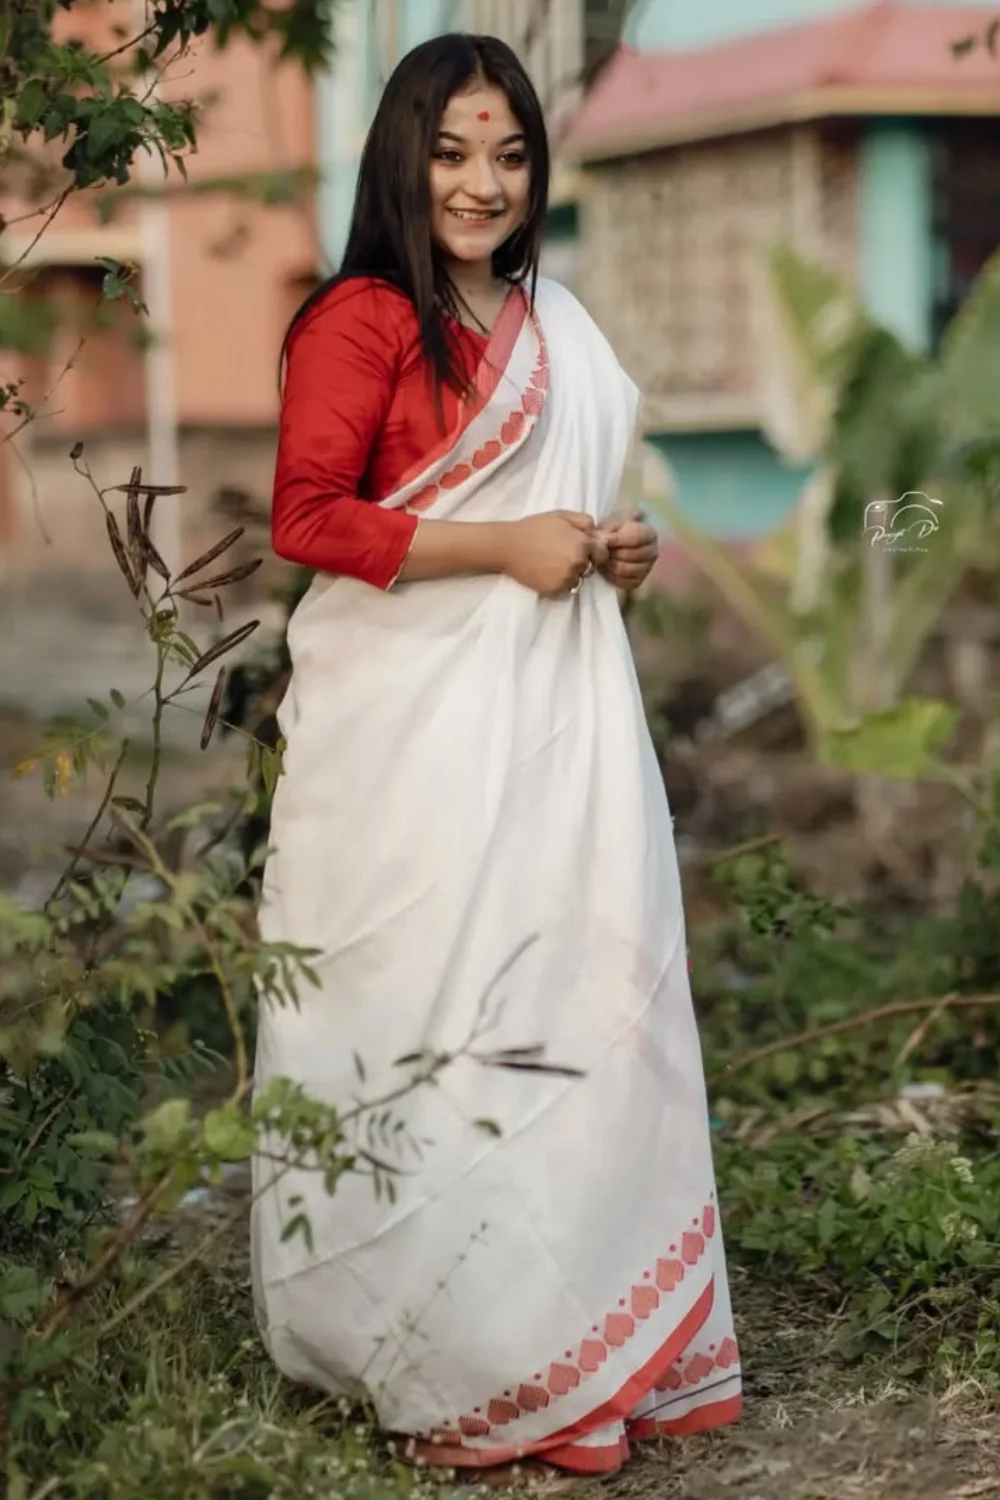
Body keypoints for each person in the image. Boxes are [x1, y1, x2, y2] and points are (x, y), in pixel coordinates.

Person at [250, 32, 741, 1483]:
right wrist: (503, 546)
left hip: (552, 740)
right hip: (407, 753)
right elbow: (308, 517)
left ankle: (572, 1330)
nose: (482, 182)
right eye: (454, 151)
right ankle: (443, 1348)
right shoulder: (364, 318)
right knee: (428, 1009)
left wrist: (609, 553)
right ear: (404, 156)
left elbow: (564, 530)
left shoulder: (554, 325)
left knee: (566, 997)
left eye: (510, 154)